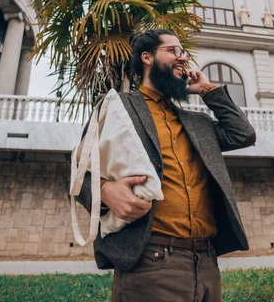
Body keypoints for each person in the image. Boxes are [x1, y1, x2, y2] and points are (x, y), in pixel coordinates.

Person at [76, 29, 256, 301]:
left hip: (207, 264)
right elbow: (78, 173)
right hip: (150, 263)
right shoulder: (117, 107)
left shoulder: (198, 123)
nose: (182, 57)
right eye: (173, 50)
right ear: (147, 57)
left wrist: (208, 90)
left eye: (182, 52)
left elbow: (242, 134)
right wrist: (105, 192)